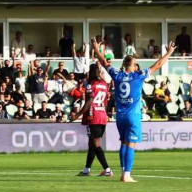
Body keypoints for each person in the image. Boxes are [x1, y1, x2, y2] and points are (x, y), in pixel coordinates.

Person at [93, 36, 176, 183]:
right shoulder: (138, 76)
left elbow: (104, 62)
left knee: (123, 143)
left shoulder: (117, 75)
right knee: (131, 144)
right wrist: (169, 52)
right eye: (135, 64)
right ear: (130, 66)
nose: (137, 66)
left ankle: (123, 172)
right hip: (133, 115)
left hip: (120, 116)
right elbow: (157, 64)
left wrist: (96, 48)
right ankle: (127, 175)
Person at [72, 63, 112, 177]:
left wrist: (78, 114)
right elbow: (105, 102)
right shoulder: (105, 84)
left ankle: (107, 169)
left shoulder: (90, 85)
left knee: (95, 144)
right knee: (92, 144)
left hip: (93, 116)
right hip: (102, 115)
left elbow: (89, 102)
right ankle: (86, 170)